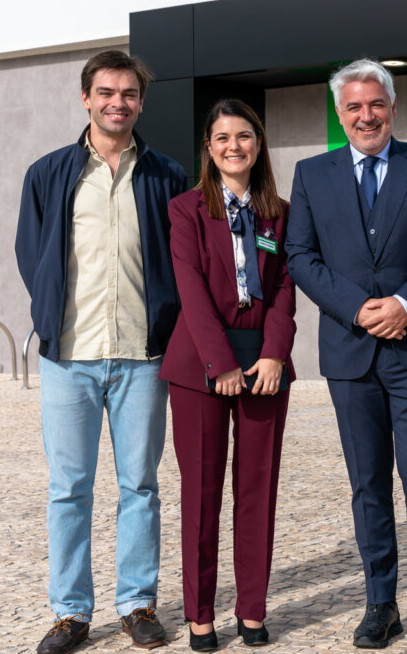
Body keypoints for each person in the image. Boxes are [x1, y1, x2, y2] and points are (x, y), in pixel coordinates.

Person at [285, 58, 407, 654]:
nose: (367, 115)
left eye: (376, 104)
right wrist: (357, 308)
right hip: (350, 349)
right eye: (354, 107)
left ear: (392, 107)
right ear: (340, 115)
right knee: (367, 483)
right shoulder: (311, 175)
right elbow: (300, 256)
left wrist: (406, 304)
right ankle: (381, 603)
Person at [15, 50, 187, 654]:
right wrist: (48, 314)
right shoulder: (50, 173)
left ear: (141, 101)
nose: (119, 102)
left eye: (130, 93)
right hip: (70, 357)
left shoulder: (168, 174)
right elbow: (32, 255)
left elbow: (181, 261)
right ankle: (71, 613)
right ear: (85, 98)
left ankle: (137, 603)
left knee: (140, 485)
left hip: (145, 356)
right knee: (70, 487)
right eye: (107, 92)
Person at [159, 99, 297, 651]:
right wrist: (221, 364)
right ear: (209, 149)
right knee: (202, 493)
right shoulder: (186, 209)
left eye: (244, 136)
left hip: (264, 362)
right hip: (201, 365)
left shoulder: (280, 212)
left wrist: (273, 355)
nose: (233, 146)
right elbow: (189, 289)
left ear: (258, 146)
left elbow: (286, 287)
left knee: (257, 490)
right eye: (222, 138)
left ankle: (252, 609)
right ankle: (199, 614)